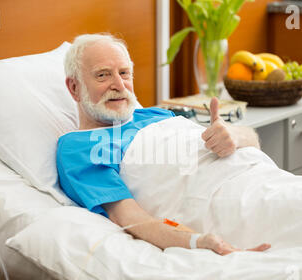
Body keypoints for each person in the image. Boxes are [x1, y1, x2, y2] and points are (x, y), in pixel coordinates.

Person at [57, 33, 271, 256]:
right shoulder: (79, 147)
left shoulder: (157, 114)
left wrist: (235, 136)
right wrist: (199, 242)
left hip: (259, 178)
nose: (119, 85)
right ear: (74, 88)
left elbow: (253, 141)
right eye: (103, 75)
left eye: (124, 73)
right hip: (231, 203)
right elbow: (129, 218)